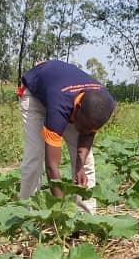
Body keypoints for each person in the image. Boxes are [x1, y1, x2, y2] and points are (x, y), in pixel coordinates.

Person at [18, 60, 116, 214]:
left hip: (65, 95)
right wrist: (63, 211)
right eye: (83, 126)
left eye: (90, 128)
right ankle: (26, 215)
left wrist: (79, 166)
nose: (84, 131)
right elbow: (52, 167)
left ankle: (86, 218)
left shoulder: (103, 104)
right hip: (35, 97)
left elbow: (88, 133)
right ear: (76, 110)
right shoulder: (60, 108)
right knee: (34, 159)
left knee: (87, 162)